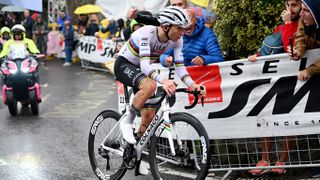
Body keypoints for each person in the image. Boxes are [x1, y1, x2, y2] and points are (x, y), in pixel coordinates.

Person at [115, 6, 206, 146]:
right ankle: (126, 121)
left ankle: (134, 149)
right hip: (124, 64)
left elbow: (180, 67)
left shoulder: (177, 40)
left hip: (139, 70)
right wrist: (164, 80)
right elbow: (145, 66)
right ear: (165, 26)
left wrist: (193, 85)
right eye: (179, 28)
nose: (182, 33)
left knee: (149, 115)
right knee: (150, 85)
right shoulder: (147, 33)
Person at [247, 0, 301, 176]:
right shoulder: (280, 28)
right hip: (274, 82)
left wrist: (287, 24)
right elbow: (270, 51)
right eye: (288, 5)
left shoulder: (304, 24)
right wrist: (256, 56)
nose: (290, 9)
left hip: (295, 81)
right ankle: (265, 160)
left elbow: (290, 48)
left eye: (294, 5)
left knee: (289, 121)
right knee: (267, 119)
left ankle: (281, 162)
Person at [289, 0, 320, 82]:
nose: (301, 14)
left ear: (316, 11)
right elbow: (300, 38)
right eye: (301, 9)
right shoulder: (303, 20)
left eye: (306, 10)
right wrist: (298, 52)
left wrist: (310, 70)